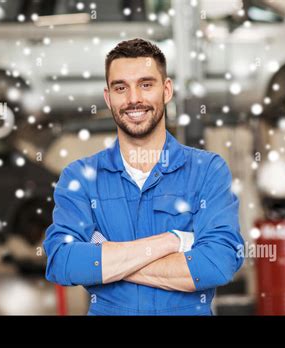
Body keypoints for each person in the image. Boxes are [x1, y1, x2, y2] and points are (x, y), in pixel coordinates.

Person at [44, 38, 244, 315]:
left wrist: (107, 258)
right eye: (120, 88)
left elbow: (217, 264)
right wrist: (173, 241)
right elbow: (62, 262)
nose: (133, 99)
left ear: (167, 89)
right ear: (108, 97)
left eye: (145, 84)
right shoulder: (81, 177)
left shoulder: (207, 170)